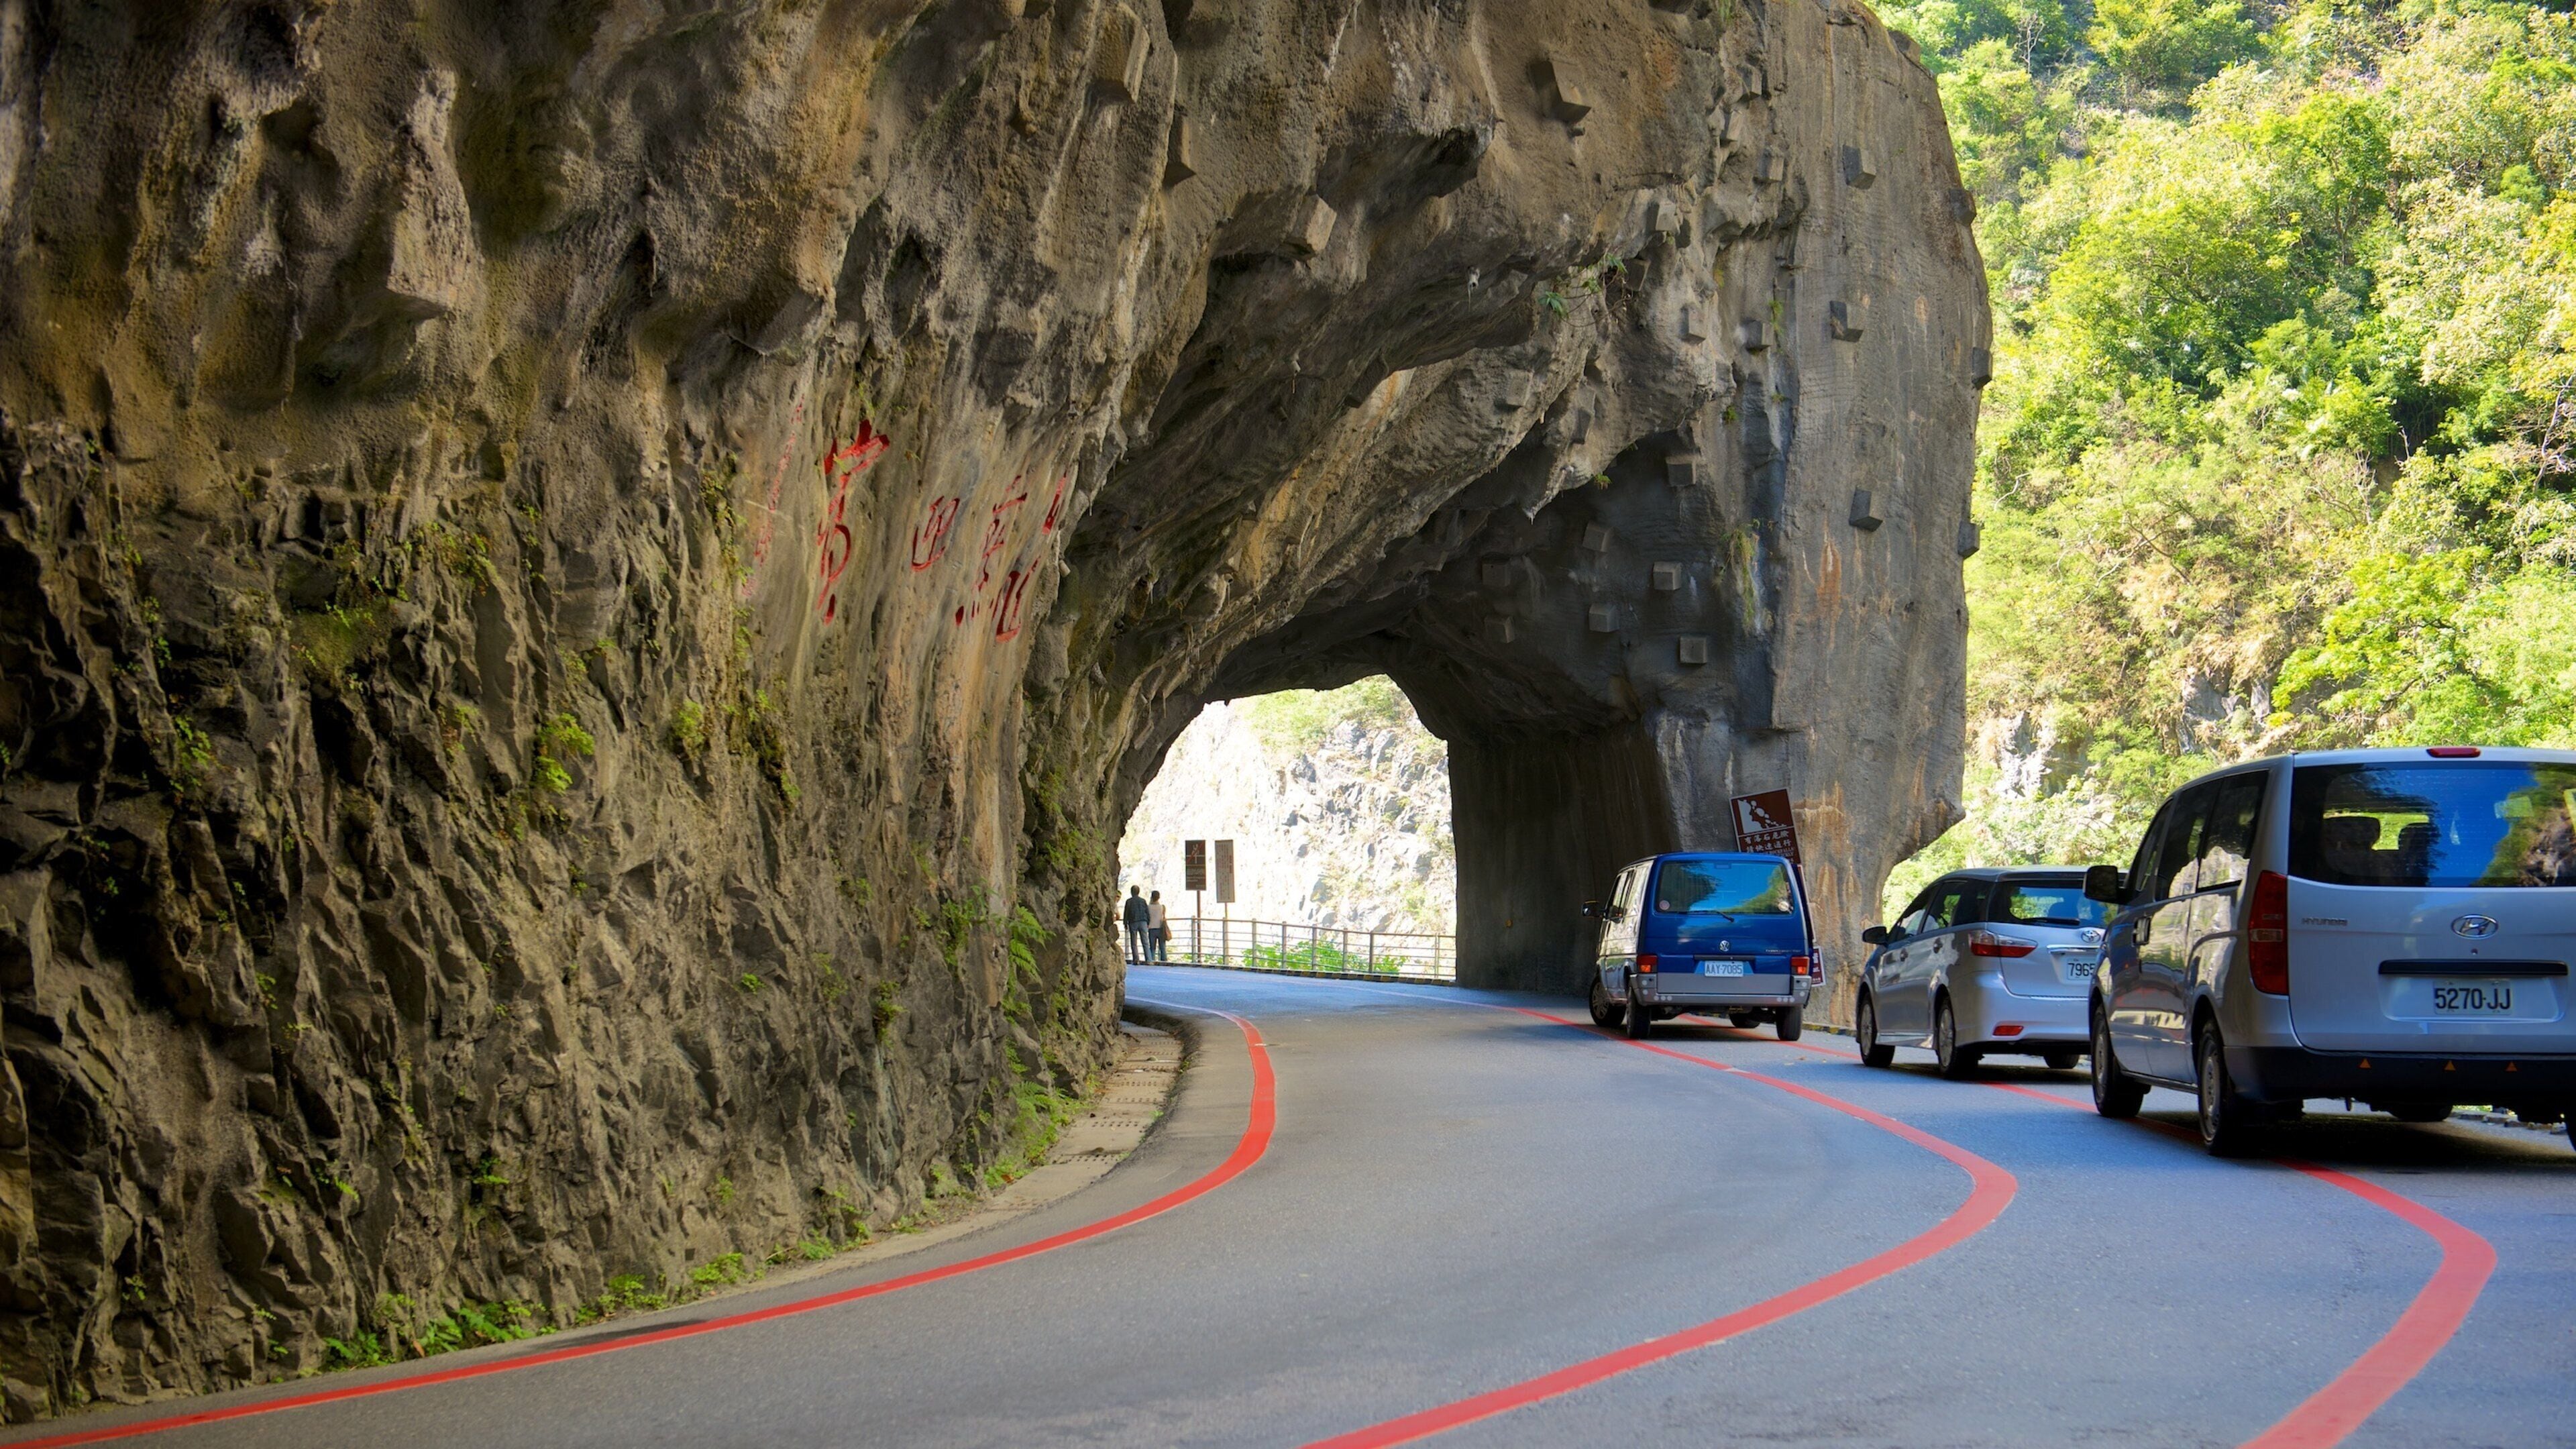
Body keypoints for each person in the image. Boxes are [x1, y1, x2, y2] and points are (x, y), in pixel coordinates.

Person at [1122, 885, 1152, 964]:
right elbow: (1147, 912)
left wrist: (1125, 923)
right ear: (1139, 892)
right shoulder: (1143, 901)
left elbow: (1126, 913)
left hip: (1133, 922)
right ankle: (1148, 960)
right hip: (1143, 922)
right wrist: (1148, 922)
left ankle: (1136, 960)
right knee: (1145, 942)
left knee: (1134, 943)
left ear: (1131, 892)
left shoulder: (1129, 901)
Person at [1148, 890, 1170, 962]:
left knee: (1152, 948)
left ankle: (1152, 960)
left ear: (1152, 897)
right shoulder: (1162, 907)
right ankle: (1164, 960)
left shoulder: (1148, 907)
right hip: (1161, 928)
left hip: (1151, 928)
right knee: (1162, 947)